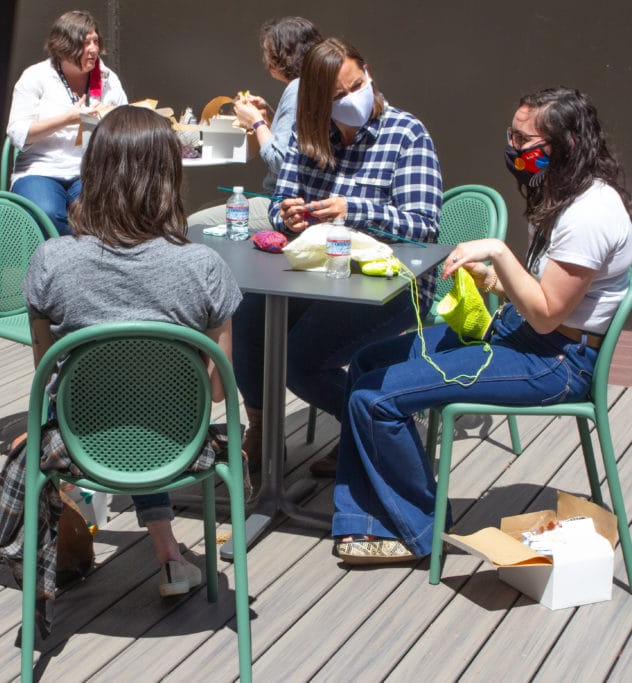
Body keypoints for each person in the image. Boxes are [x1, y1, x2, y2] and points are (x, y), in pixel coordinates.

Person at [333, 86, 632, 564]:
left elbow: (547, 311)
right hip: (522, 333)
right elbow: (535, 292)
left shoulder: (591, 213)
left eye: (523, 140)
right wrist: (491, 278)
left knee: (375, 398)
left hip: (555, 360)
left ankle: (422, 534)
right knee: (369, 363)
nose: (513, 149)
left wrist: (496, 251)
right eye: (510, 135)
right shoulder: (560, 190)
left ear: (567, 144)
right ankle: (366, 521)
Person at [23, 105, 243, 595]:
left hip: (81, 443)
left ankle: (153, 551)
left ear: (91, 171)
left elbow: (44, 374)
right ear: (169, 176)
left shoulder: (51, 261)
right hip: (180, 446)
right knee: (152, 403)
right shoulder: (204, 268)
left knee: (117, 398)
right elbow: (218, 391)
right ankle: (170, 557)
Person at [233, 37, 442, 478]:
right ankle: (263, 430)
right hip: (320, 278)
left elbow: (423, 225)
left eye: (357, 85)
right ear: (316, 103)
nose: (352, 100)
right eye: (337, 97)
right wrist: (287, 213)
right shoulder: (309, 137)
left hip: (393, 286)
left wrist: (354, 209)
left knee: (298, 360)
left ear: (370, 75)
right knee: (247, 317)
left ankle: (374, 426)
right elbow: (281, 201)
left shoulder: (406, 133)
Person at [188, 16, 323, 232]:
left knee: (194, 224)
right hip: (299, 199)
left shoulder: (297, 88)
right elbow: (294, 141)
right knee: (207, 208)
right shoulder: (312, 84)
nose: (266, 61)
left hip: (286, 204)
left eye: (268, 52)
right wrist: (271, 114)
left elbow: (280, 161)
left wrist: (256, 121)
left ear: (285, 55)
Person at [6, 10, 128, 236]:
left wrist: (110, 117)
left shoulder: (106, 78)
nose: (93, 50)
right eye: (85, 43)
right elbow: (18, 133)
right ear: (64, 47)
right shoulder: (37, 76)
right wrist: (68, 119)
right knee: (48, 212)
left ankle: (90, 267)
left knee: (103, 210)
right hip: (41, 169)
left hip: (88, 170)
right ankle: (63, 266)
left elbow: (125, 124)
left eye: (95, 41)